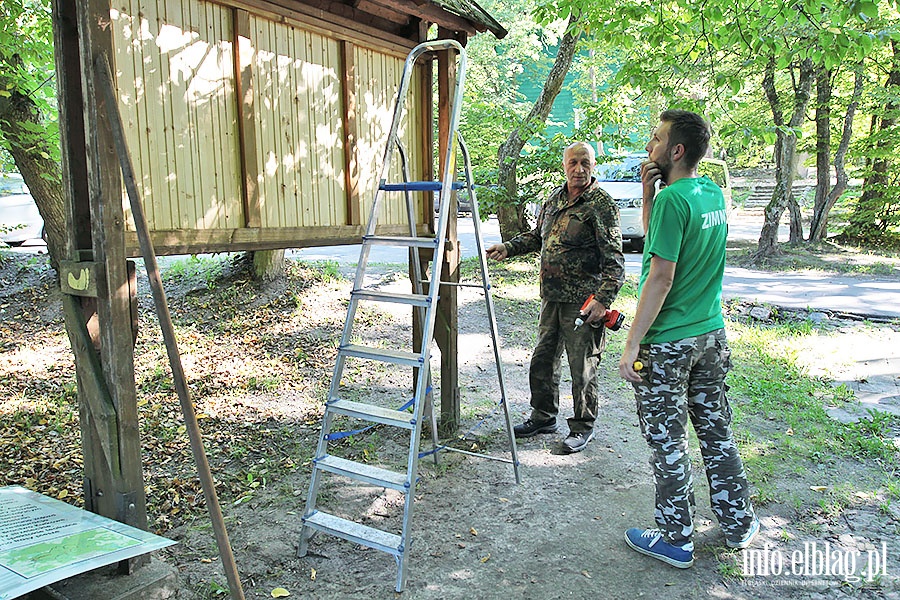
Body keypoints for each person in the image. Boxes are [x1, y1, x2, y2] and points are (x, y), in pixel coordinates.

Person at [618, 110, 759, 568]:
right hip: (711, 336)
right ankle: (739, 522)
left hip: (669, 343)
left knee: (668, 440)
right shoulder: (710, 194)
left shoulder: (672, 202)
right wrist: (648, 194)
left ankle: (676, 538)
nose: (649, 147)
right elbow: (661, 238)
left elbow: (660, 274)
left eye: (656, 139)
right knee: (716, 431)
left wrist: (632, 343)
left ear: (676, 151)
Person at [486, 142, 625, 453]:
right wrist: (508, 247)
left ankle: (582, 426)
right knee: (543, 360)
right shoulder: (555, 198)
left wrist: (602, 301)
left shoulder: (601, 205)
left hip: (584, 303)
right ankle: (543, 416)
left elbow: (615, 260)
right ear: (565, 165)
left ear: (593, 165)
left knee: (582, 366)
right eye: (573, 163)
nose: (579, 169)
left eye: (585, 163)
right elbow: (538, 236)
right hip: (552, 298)